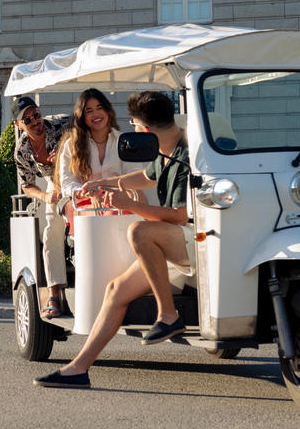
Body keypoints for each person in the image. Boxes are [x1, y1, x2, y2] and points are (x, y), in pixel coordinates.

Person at [33, 91, 194, 388]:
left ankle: (168, 314)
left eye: (135, 124)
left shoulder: (187, 152)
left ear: (144, 128)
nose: (132, 129)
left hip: (190, 241)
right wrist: (101, 183)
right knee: (115, 288)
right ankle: (78, 369)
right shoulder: (166, 148)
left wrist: (130, 204)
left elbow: (181, 216)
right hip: (168, 242)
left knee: (139, 230)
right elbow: (144, 177)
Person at [12, 96, 71, 319]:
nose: (35, 121)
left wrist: (70, 152)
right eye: (27, 120)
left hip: (84, 174)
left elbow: (94, 135)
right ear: (19, 126)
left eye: (36, 115)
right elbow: (27, 185)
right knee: (51, 231)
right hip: (55, 184)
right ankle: (54, 294)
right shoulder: (21, 150)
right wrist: (45, 196)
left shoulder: (63, 123)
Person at [56, 89, 144, 234]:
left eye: (99, 108)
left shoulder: (125, 141)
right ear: (82, 117)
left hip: (120, 199)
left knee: (116, 213)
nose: (96, 114)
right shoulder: (71, 145)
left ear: (108, 111)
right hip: (86, 203)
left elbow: (134, 174)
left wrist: (107, 190)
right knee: (98, 220)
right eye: (89, 111)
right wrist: (88, 192)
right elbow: (67, 181)